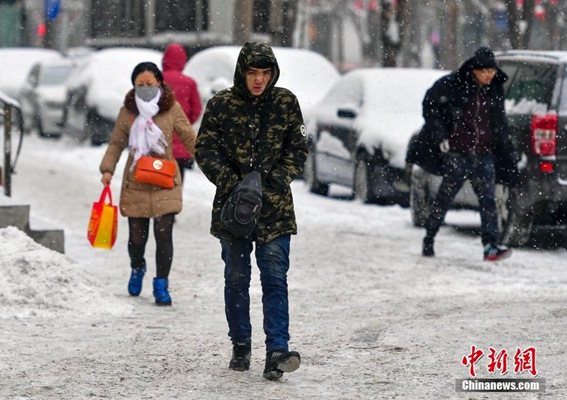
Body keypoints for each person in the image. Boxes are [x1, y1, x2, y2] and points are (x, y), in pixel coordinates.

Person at [195, 42, 307, 380]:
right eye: (252, 73)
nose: (258, 80)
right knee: (236, 278)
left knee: (275, 278)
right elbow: (205, 148)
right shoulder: (221, 105)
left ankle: (277, 350)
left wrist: (275, 180)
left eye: (265, 73)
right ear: (242, 72)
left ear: (272, 74)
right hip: (234, 210)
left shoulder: (285, 103)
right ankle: (241, 343)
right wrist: (233, 183)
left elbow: (298, 148)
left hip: (275, 210)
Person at [99, 62, 196, 305]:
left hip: (165, 181)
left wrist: (211, 161)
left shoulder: (171, 108)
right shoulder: (128, 111)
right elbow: (116, 143)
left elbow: (188, 136)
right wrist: (107, 169)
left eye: (149, 84)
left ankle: (161, 284)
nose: (145, 89)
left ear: (160, 83)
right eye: (139, 85)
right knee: (137, 239)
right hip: (137, 181)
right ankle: (137, 266)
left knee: (164, 235)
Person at [416, 47, 519, 261]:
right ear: (474, 70)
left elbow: (498, 120)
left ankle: (490, 246)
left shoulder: (495, 89)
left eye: (492, 70)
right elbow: (430, 106)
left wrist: (504, 145)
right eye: (484, 71)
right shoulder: (452, 85)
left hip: (484, 153)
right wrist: (441, 136)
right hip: (458, 153)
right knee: (445, 197)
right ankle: (429, 237)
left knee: (488, 201)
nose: (489, 75)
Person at [162, 43, 202, 182]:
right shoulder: (189, 83)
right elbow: (196, 110)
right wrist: (184, 123)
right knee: (177, 182)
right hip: (181, 145)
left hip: (159, 143)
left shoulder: (156, 81)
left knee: (158, 181)